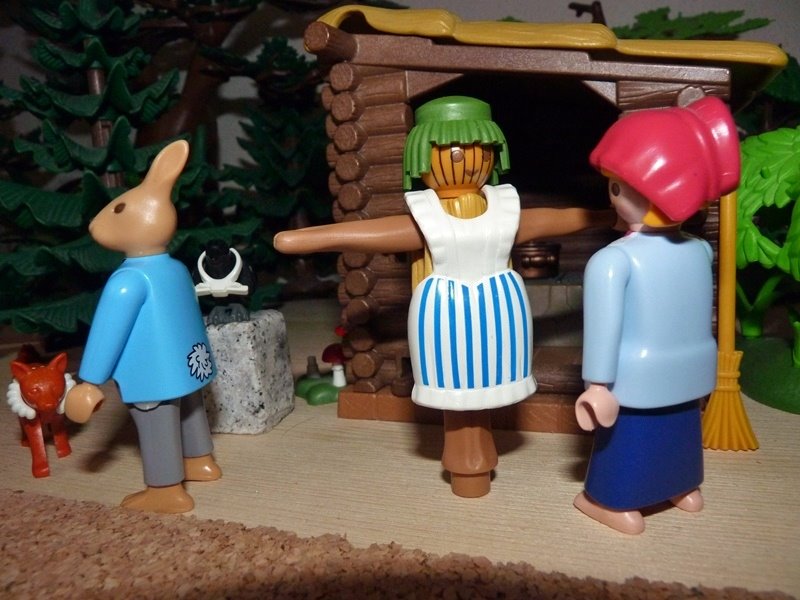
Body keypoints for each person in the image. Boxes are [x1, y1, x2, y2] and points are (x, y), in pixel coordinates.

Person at [276, 96, 613, 497]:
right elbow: (370, 234)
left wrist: (603, 215)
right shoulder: (426, 214)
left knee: (489, 391)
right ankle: (466, 465)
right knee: (456, 399)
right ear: (422, 158)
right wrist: (311, 238)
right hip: (445, 315)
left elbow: (550, 221)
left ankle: (476, 461)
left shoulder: (504, 207)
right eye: (455, 153)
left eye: (480, 151)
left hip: (499, 310)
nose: (468, 162)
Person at [574, 96, 740, 534]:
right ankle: (614, 496)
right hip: (660, 375)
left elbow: (607, 330)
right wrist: (598, 387)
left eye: (616, 186)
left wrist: (597, 384)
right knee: (640, 438)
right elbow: (606, 330)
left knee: (671, 437)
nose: (612, 196)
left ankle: (668, 486)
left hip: (670, 372)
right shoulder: (690, 251)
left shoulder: (618, 260)